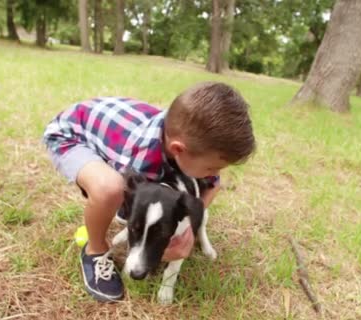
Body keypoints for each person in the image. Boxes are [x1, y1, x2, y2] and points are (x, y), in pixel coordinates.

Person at [42, 82, 255, 302]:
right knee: (109, 189)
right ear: (178, 150)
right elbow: (133, 211)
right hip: (69, 134)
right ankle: (95, 251)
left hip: (109, 123)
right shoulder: (140, 163)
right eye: (212, 168)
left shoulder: (188, 140)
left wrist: (188, 229)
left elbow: (213, 185)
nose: (215, 173)